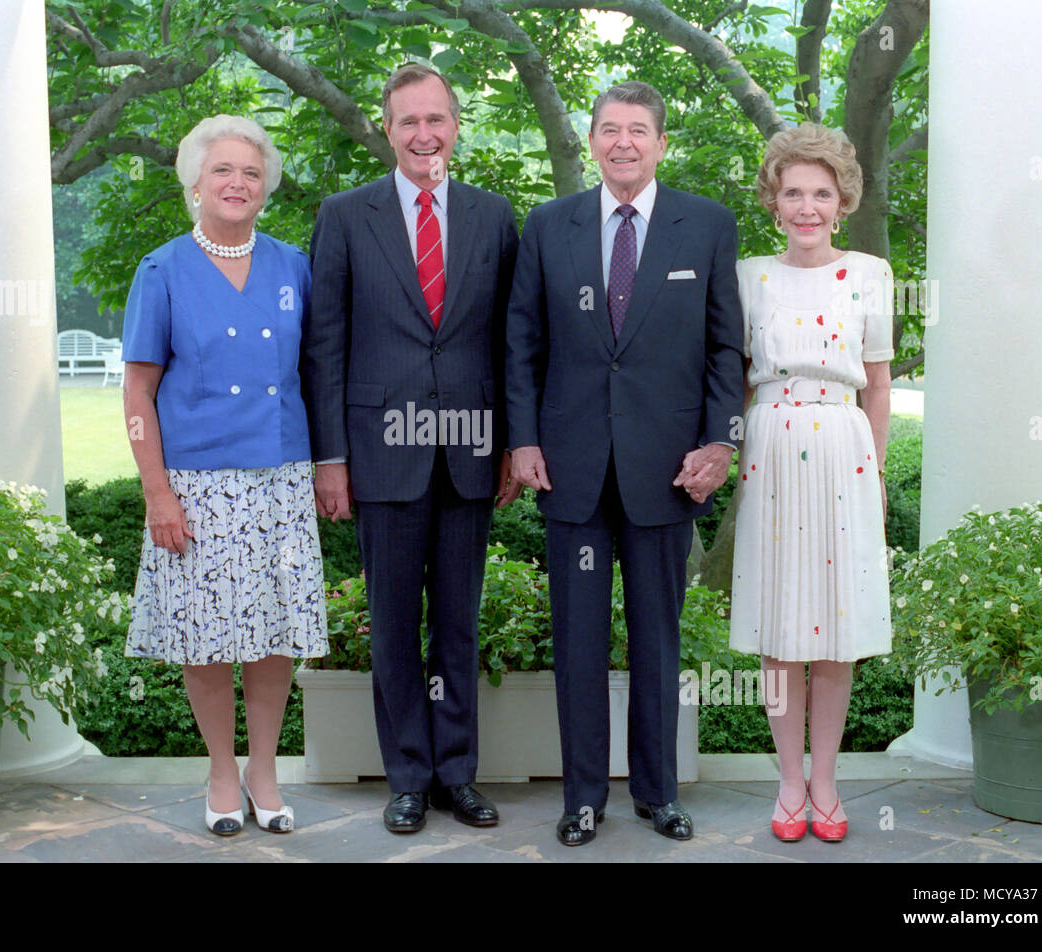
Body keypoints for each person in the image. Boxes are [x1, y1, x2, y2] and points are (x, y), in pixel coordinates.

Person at [506, 81, 744, 847]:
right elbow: (521, 345)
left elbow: (725, 348)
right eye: (609, 130)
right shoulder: (548, 226)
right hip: (570, 468)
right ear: (592, 142)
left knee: (657, 638)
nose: (623, 143)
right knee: (577, 641)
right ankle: (581, 799)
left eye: (638, 130)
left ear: (661, 143)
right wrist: (522, 440)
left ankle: (657, 792)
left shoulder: (706, 226)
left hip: (667, 471)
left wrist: (722, 440)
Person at [302, 64, 521, 834]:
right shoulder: (343, 215)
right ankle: (407, 774)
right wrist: (330, 458)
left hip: (468, 452)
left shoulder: (495, 217)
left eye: (436, 119)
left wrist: (511, 445)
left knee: (459, 620)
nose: (423, 134)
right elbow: (324, 346)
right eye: (407, 122)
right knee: (393, 624)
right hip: (379, 453)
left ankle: (456, 774)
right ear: (385, 129)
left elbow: (510, 342)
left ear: (455, 124)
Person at [121, 115, 327, 837]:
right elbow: (138, 393)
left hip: (279, 480)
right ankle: (219, 769)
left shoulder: (294, 266)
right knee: (205, 640)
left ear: (265, 184)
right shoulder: (162, 270)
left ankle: (264, 771)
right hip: (197, 487)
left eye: (250, 171)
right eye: (222, 171)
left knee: (272, 637)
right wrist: (157, 493)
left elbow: (317, 374)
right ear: (195, 184)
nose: (237, 183)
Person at [730, 122, 893, 843]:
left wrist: (879, 473)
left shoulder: (870, 274)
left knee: (834, 627)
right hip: (771, 445)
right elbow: (733, 382)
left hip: (843, 448)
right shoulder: (746, 275)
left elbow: (880, 384)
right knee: (779, 624)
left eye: (820, 193)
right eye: (793, 191)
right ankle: (788, 785)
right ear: (774, 199)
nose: (806, 206)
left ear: (842, 200)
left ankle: (826, 782)